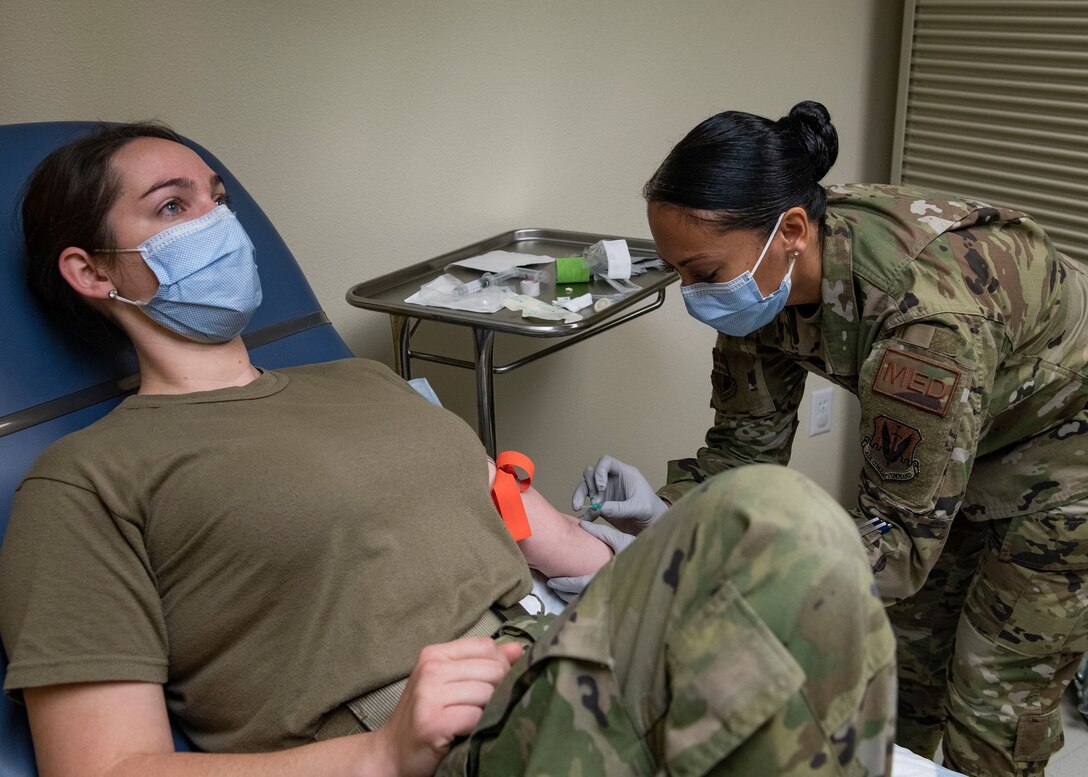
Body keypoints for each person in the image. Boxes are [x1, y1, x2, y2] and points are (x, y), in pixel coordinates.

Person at [0, 122, 895, 777]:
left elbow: (552, 539)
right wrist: (378, 755)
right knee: (777, 509)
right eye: (172, 206)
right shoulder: (88, 479)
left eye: (217, 198)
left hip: (565, 653)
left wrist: (654, 540)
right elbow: (104, 767)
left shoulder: (359, 382)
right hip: (461, 742)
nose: (217, 223)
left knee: (782, 554)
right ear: (91, 270)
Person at [574, 101, 1088, 777]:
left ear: (790, 231)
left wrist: (724, 566)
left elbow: (897, 547)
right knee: (900, 677)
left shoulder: (927, 327)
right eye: (678, 272)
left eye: (701, 271)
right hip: (966, 436)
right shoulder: (762, 273)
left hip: (1061, 462)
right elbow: (742, 451)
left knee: (991, 711)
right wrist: (667, 512)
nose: (691, 292)